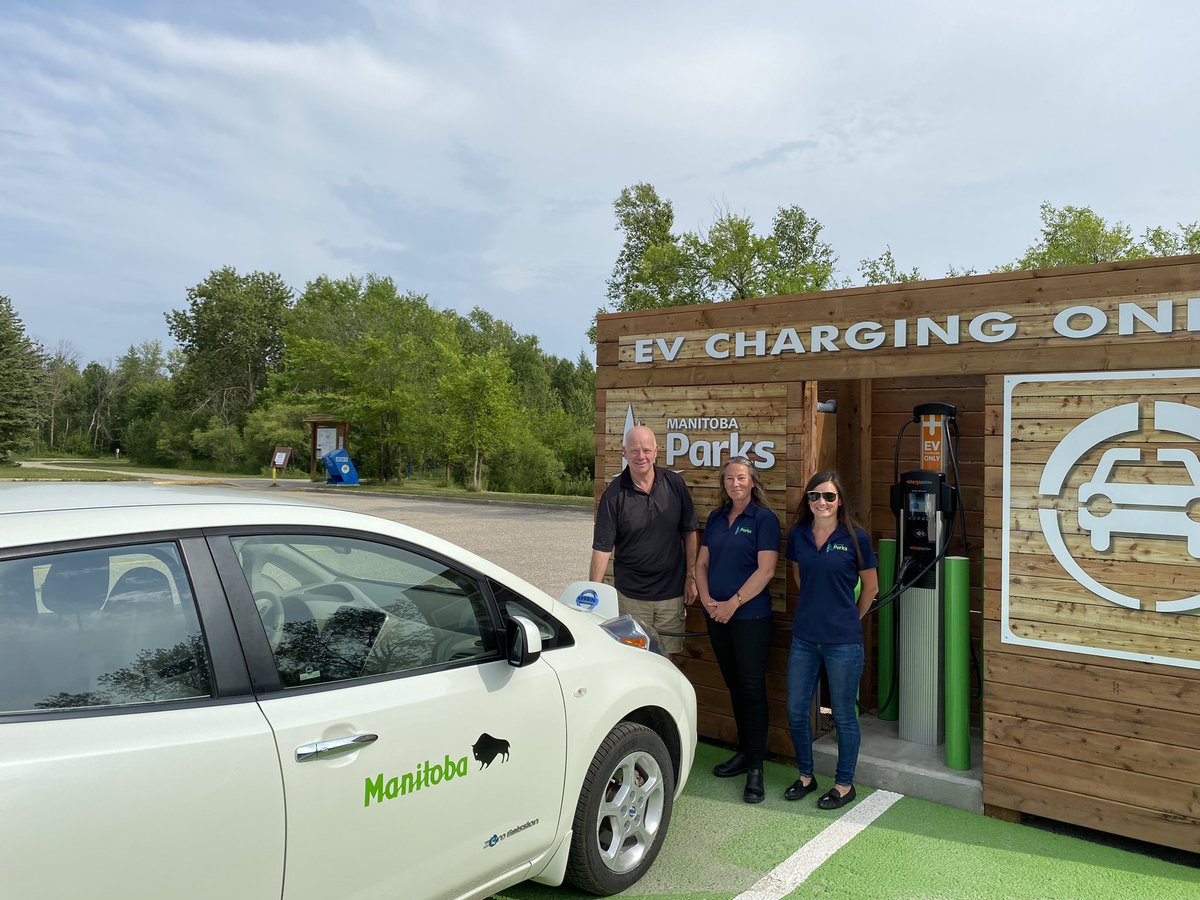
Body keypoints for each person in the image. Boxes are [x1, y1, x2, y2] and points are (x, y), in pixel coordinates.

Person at [784, 470, 878, 810]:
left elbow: (871, 587)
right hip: (805, 638)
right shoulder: (799, 535)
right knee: (796, 710)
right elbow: (798, 573)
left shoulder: (856, 537)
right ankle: (806, 777)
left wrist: (852, 617)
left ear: (840, 501)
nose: (820, 502)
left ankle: (843, 784)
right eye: (814, 496)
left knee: (842, 715)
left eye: (828, 496)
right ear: (807, 501)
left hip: (843, 642)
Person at [695, 456, 780, 803]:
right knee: (733, 685)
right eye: (729, 478)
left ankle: (757, 766)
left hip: (749, 618)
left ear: (753, 481)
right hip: (716, 616)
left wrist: (733, 603)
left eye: (741, 478)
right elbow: (701, 563)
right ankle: (744, 753)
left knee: (751, 688)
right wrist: (706, 599)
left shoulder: (764, 519)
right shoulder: (716, 518)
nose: (735, 484)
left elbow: (766, 570)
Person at [590, 425, 699, 661]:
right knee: (634, 661)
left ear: (656, 451)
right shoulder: (613, 495)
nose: (642, 456)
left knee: (667, 661)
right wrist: (592, 594)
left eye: (647, 450)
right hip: (631, 597)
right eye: (635, 450)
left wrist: (691, 577)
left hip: (671, 595)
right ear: (624, 452)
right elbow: (601, 548)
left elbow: (690, 531)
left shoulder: (674, 485)